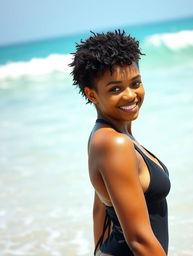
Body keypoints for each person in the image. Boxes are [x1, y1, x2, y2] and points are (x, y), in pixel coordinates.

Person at [69, 30, 171, 256]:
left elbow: (100, 209)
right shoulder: (114, 143)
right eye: (115, 89)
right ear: (92, 94)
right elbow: (140, 240)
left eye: (135, 83)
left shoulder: (107, 136)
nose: (130, 95)